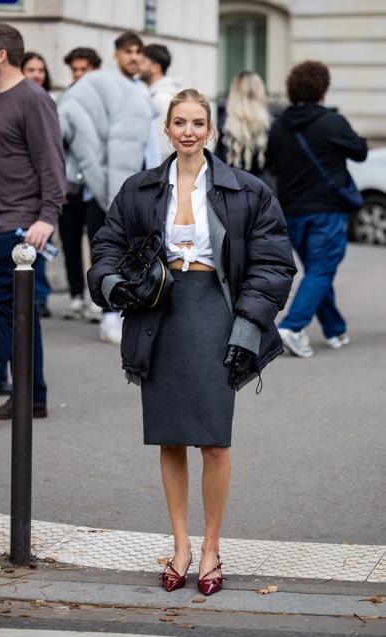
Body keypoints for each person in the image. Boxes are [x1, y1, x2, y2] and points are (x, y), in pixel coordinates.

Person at [88, 88, 295, 598]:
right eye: (179, 122)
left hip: (216, 313)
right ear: (167, 128)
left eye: (198, 123)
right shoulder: (139, 189)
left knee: (215, 440)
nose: (188, 131)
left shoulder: (247, 190)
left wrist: (248, 326)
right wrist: (113, 284)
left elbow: (273, 263)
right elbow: (106, 245)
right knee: (170, 436)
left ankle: (211, 548)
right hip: (160, 315)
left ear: (212, 130)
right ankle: (181, 547)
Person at [0, 23, 65, 427]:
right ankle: (34, 397)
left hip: (19, 228)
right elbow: (1, 148)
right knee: (20, 315)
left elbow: (52, 164)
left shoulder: (34, 99)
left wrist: (47, 217)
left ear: (1, 55)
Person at [266, 61, 367, 358]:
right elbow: (360, 151)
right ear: (322, 90)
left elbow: (273, 164)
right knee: (321, 270)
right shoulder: (332, 123)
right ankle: (292, 327)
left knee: (316, 271)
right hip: (327, 210)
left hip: (292, 212)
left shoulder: (280, 125)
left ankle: (335, 330)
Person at [57, 37, 155, 344]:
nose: (135, 57)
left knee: (133, 251)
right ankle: (111, 312)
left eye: (139, 52)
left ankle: (123, 309)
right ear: (116, 56)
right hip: (108, 190)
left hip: (134, 186)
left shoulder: (140, 92)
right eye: (129, 52)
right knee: (108, 250)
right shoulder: (101, 90)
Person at [58, 47, 103, 321]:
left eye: (84, 68)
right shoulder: (64, 99)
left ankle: (98, 298)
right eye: (75, 69)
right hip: (69, 184)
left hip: (97, 185)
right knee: (70, 242)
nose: (79, 74)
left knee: (100, 244)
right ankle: (76, 297)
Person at [21, 50, 55, 317]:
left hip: (44, 190)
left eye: (40, 70)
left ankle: (39, 296)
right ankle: (29, 296)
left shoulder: (49, 101)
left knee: (41, 246)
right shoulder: (17, 101)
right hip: (23, 190)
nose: (36, 74)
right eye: (31, 69)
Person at [219, 71, 272, 184]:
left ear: (234, 94)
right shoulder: (270, 126)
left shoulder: (225, 127)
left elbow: (218, 163)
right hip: (263, 189)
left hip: (233, 187)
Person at [140, 44, 183, 167]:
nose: (138, 66)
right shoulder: (160, 96)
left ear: (156, 68)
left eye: (143, 62)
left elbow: (162, 145)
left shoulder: (160, 99)